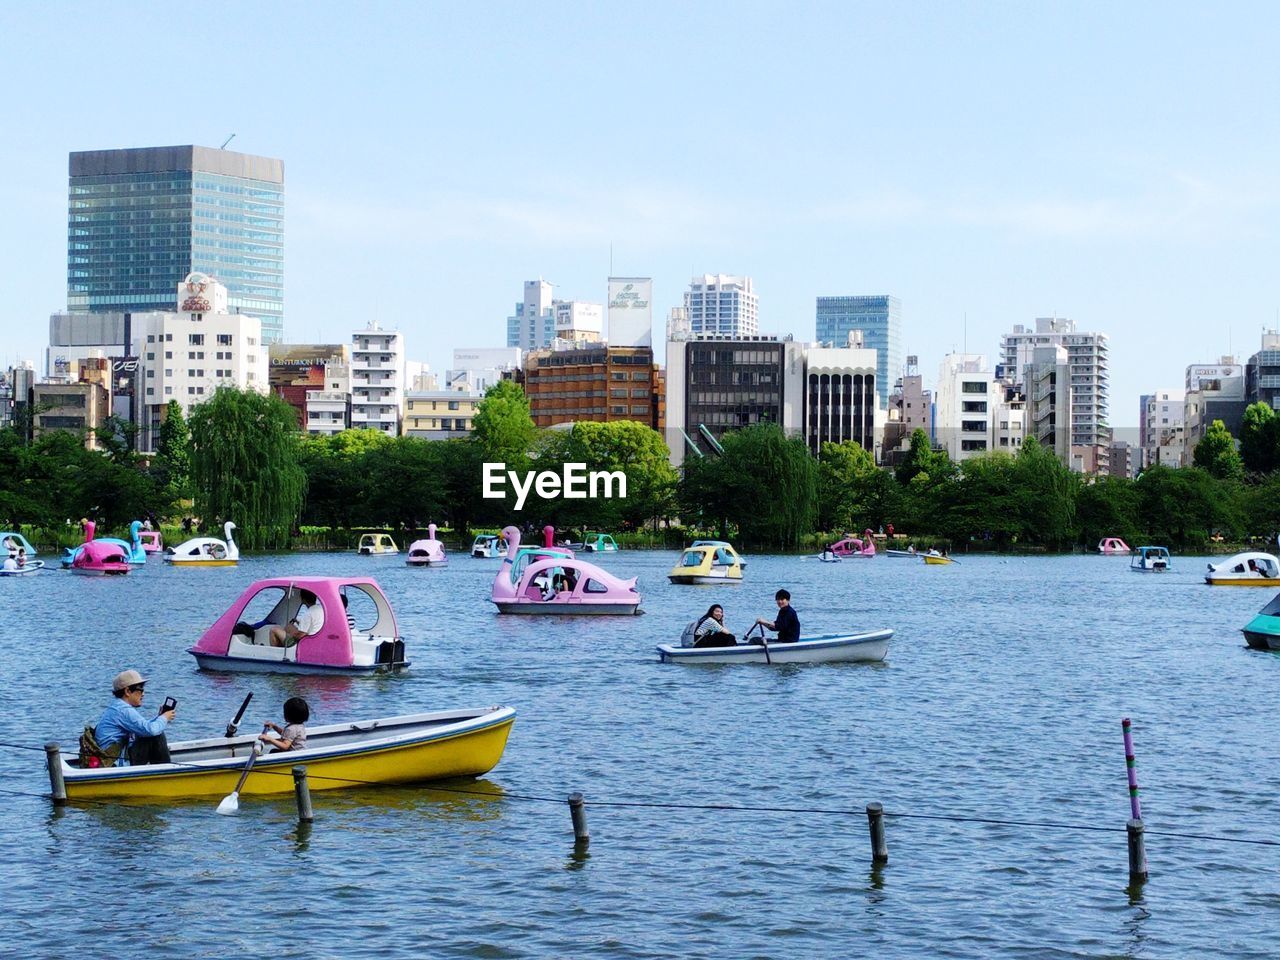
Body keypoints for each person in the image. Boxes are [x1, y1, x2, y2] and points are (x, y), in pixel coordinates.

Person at [94, 669, 174, 765]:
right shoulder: (123, 710)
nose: (143, 694)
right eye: (140, 689)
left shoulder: (117, 707)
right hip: (113, 763)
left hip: (116, 757)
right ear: (127, 691)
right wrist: (164, 718)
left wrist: (159, 717)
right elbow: (151, 730)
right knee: (157, 735)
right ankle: (165, 772)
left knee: (154, 731)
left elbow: (143, 727)